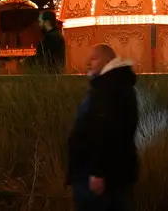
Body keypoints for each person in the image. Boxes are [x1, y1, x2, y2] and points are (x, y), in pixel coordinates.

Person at [66, 44, 139, 211]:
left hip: (98, 173)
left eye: (94, 58)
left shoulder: (108, 88)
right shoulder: (117, 85)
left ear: (107, 60)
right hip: (112, 171)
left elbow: (104, 130)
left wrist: (98, 171)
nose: (88, 63)